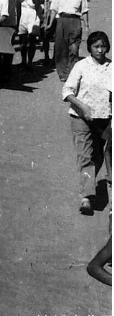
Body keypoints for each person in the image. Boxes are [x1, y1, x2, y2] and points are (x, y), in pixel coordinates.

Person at [62, 31, 112, 215]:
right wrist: (82, 107)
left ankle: (89, 185)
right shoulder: (81, 66)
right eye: (96, 46)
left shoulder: (111, 67)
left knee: (98, 157)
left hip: (104, 120)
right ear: (89, 48)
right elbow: (67, 91)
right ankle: (86, 197)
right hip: (81, 118)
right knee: (85, 156)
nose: (100, 50)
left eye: (103, 46)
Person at [46, 0, 89, 81]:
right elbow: (53, 9)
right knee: (61, 48)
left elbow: (84, 11)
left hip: (75, 21)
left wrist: (86, 25)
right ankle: (62, 72)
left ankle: (71, 72)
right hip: (62, 20)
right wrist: (50, 23)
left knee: (74, 49)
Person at [16, 0, 42, 70]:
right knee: (22, 39)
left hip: (34, 12)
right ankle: (23, 61)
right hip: (22, 12)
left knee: (32, 39)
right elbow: (17, 0)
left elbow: (42, 0)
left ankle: (30, 62)